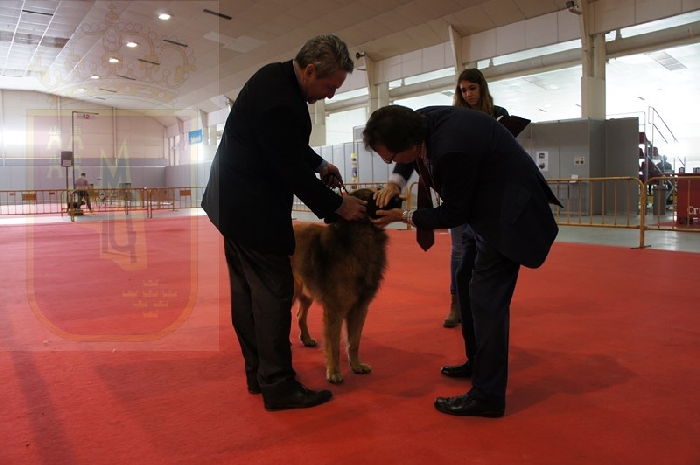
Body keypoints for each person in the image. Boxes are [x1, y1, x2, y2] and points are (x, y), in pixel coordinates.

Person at [201, 34, 366, 411]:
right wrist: (339, 206)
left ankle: (258, 374)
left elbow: (282, 144)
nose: (331, 95)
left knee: (246, 294)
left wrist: (319, 163)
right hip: (252, 212)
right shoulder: (282, 102)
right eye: (330, 86)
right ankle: (278, 385)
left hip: (230, 206)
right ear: (310, 70)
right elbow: (289, 169)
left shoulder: (273, 78)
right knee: (274, 295)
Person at [364, 104, 561, 417]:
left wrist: (403, 216)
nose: (388, 162)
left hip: (507, 214)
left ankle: (488, 395)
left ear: (409, 144)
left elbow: (453, 213)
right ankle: (478, 362)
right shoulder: (417, 121)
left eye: (389, 157)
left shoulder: (450, 149)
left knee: (486, 300)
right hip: (482, 209)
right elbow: (409, 161)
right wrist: (394, 182)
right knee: (464, 280)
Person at [377, 69, 511, 330]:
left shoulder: (498, 114)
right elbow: (410, 152)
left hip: (489, 197)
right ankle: (456, 302)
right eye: (463, 90)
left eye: (472, 88)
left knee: (489, 251)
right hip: (456, 195)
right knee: (459, 250)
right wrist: (395, 183)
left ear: (482, 88)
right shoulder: (445, 120)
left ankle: (484, 307)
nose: (468, 94)